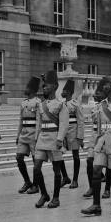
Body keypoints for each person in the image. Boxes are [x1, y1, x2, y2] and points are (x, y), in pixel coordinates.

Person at [82, 75, 111, 216]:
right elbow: (97, 127)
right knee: (96, 170)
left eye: (107, 85)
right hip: (101, 142)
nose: (104, 87)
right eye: (104, 85)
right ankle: (96, 205)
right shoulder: (100, 105)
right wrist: (92, 145)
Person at [32, 70, 69, 209]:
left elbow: (64, 124)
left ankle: (56, 198)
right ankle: (44, 194)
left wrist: (60, 139)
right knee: (36, 168)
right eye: (43, 85)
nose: (44, 87)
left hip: (54, 139)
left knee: (56, 170)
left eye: (46, 85)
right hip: (42, 139)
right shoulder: (41, 105)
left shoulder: (60, 105)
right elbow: (38, 123)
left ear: (54, 86)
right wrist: (36, 139)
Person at [15, 76, 41, 194]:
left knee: (36, 160)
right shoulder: (23, 103)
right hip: (24, 134)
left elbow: (39, 121)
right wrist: (17, 135)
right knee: (19, 157)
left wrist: (37, 137)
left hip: (33, 135)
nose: (25, 89)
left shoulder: (38, 102)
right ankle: (27, 182)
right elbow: (21, 120)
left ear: (33, 90)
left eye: (27, 87)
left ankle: (36, 185)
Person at [59, 79, 84, 189]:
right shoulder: (61, 104)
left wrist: (80, 137)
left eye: (64, 90)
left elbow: (81, 121)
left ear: (69, 92)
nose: (62, 92)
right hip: (63, 133)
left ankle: (75, 180)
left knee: (76, 156)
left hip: (73, 132)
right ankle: (65, 177)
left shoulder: (75, 104)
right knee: (58, 155)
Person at [82, 85, 105, 198]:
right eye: (95, 93)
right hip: (95, 137)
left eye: (98, 93)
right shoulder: (94, 107)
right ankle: (92, 187)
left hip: (107, 137)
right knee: (89, 161)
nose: (95, 95)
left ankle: (108, 189)